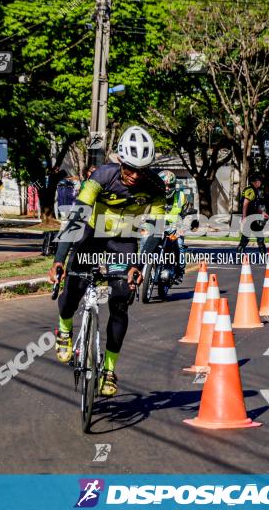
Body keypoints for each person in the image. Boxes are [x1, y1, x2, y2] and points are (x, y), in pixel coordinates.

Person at [48, 126, 165, 397]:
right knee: (74, 289)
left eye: (142, 169)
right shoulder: (102, 176)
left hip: (123, 240)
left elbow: (157, 231)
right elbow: (76, 218)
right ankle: (64, 330)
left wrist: (140, 264)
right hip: (90, 234)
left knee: (121, 300)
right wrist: (59, 259)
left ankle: (109, 370)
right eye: (130, 168)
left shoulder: (156, 187)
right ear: (120, 161)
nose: (136, 175)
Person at [158, 170, 190, 280]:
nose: (166, 189)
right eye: (164, 186)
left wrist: (182, 228)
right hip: (157, 226)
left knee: (179, 245)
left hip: (175, 228)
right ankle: (142, 268)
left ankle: (180, 270)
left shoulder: (181, 196)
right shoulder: (154, 196)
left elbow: (187, 215)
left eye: (169, 186)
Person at [236, 174, 269, 259]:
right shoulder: (250, 190)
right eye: (259, 181)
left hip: (253, 216)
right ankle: (263, 256)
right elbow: (245, 204)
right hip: (250, 217)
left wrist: (262, 213)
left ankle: (240, 255)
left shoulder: (255, 190)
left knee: (249, 237)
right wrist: (244, 217)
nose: (260, 182)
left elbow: (254, 205)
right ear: (255, 182)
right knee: (254, 237)